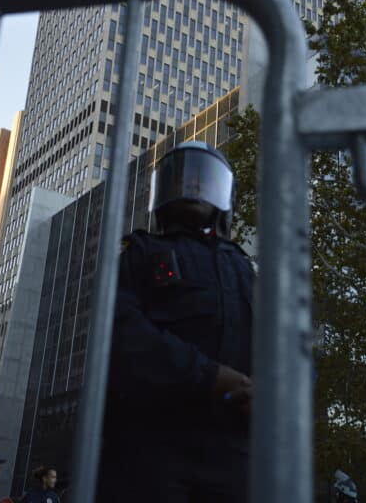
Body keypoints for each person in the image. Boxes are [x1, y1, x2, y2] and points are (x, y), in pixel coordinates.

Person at [98, 141, 255, 502]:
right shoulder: (140, 252)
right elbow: (122, 332)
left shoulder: (244, 267)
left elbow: (292, 342)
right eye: (183, 179)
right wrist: (210, 376)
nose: (193, 188)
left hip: (233, 452)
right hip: (150, 446)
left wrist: (272, 393)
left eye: (203, 180)